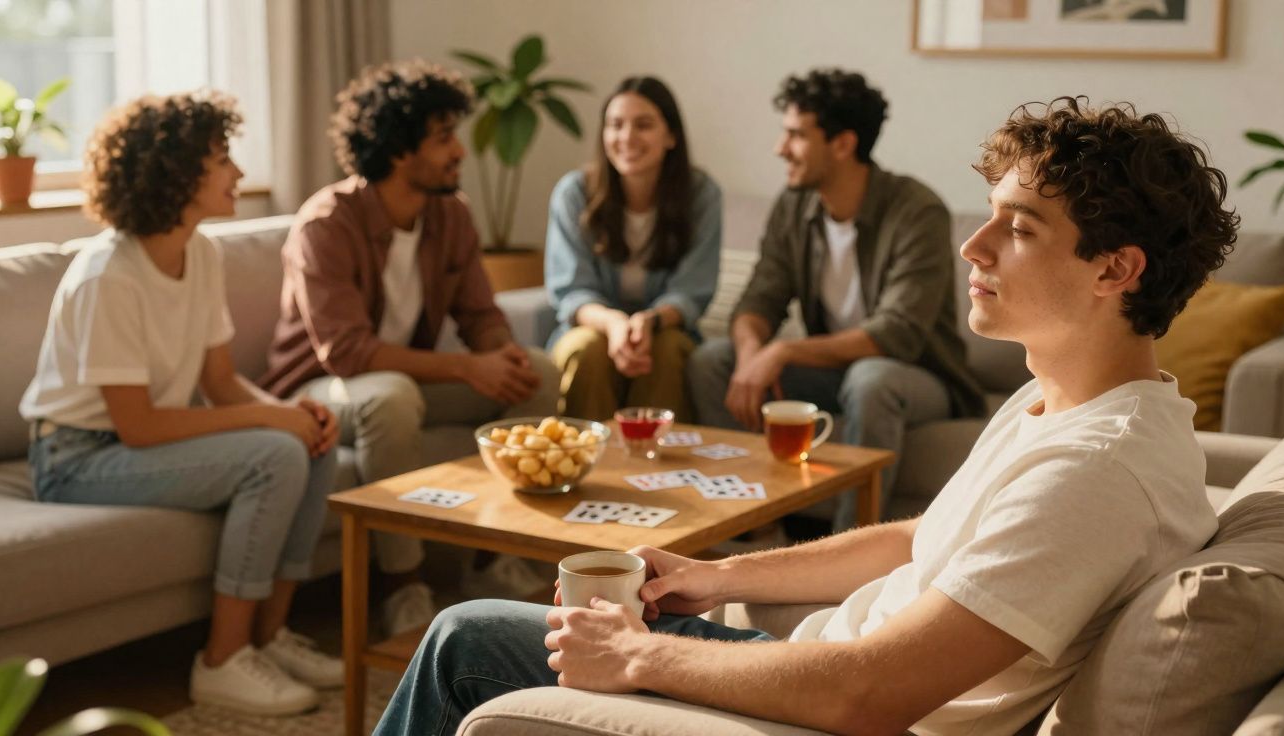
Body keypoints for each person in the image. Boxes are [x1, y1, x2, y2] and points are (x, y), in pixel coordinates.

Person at [372, 96, 1240, 735]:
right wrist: (716, 575)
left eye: (1018, 228)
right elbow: (923, 541)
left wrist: (636, 656)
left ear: (1115, 270)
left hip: (822, 703)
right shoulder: (1063, 404)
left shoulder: (1097, 471)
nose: (973, 246)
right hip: (813, 660)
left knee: (463, 638)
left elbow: (870, 694)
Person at [20, 91, 343, 716]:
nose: (239, 173)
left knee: (310, 443)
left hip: (128, 443)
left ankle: (269, 636)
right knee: (275, 454)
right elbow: (138, 426)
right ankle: (221, 660)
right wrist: (270, 418)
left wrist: (293, 415)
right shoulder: (109, 274)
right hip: (74, 457)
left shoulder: (201, 252)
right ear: (173, 172)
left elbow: (220, 381)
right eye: (222, 159)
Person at [260, 59, 560, 637]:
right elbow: (347, 352)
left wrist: (501, 353)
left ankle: (491, 557)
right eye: (444, 138)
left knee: (539, 374)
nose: (459, 152)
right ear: (400, 151)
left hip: (405, 379)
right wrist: (467, 367)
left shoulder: (451, 214)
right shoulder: (326, 224)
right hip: (318, 392)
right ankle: (403, 583)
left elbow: (480, 314)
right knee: (391, 398)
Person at [689, 69, 983, 529]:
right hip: (831, 372)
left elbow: (895, 334)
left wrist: (782, 351)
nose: (780, 148)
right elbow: (759, 299)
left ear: (843, 144)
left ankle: (848, 545)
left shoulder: (916, 210)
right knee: (713, 361)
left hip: (918, 374)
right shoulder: (794, 205)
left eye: (795, 135)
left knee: (871, 380)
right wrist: (749, 358)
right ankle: (745, 528)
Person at [545, 76, 722, 422]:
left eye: (643, 125)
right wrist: (614, 324)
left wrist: (648, 323)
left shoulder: (701, 194)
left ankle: (657, 456)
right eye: (615, 125)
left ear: (671, 136)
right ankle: (589, 454)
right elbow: (572, 291)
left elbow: (692, 290)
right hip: (593, 326)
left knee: (666, 349)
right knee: (586, 348)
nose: (626, 137)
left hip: (667, 328)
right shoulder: (573, 193)